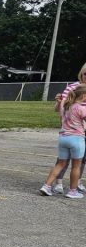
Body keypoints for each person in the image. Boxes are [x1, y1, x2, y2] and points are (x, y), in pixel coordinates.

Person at [40, 83, 86, 199]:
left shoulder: (65, 106)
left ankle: (47, 186)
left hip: (63, 138)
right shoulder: (81, 108)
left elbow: (59, 111)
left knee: (60, 164)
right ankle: (73, 191)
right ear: (84, 96)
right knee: (76, 166)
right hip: (77, 139)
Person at [52, 62, 86, 193]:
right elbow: (64, 108)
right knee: (63, 158)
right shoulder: (73, 88)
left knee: (82, 158)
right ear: (81, 74)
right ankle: (58, 183)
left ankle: (77, 182)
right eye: (85, 74)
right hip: (73, 129)